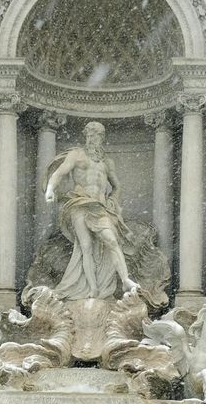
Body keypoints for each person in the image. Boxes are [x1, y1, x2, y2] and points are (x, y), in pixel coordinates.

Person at [44, 121, 138, 300]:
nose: (92, 138)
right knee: (85, 246)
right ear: (85, 136)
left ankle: (125, 280)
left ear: (102, 138)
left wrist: (113, 200)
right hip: (79, 203)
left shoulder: (107, 162)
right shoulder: (76, 155)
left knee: (111, 240)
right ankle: (93, 289)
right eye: (89, 135)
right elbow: (59, 173)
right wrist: (50, 188)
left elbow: (117, 186)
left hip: (100, 207)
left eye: (96, 135)